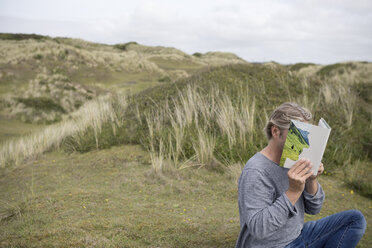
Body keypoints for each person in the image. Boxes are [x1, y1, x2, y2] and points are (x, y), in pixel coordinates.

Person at [235, 102, 366, 248]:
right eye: (297, 133)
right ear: (276, 132)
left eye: (306, 132)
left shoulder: (292, 157)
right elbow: (259, 229)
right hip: (274, 245)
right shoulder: (256, 171)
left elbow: (314, 209)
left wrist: (312, 179)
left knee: (355, 220)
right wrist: (293, 191)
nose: (303, 142)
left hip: (298, 235)